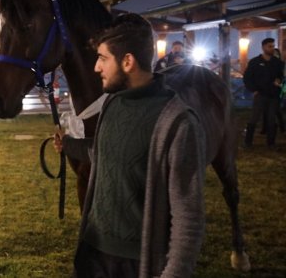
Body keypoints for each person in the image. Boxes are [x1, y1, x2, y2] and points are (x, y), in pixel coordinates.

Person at [58, 14, 205, 278]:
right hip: (91, 254)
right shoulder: (112, 104)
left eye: (103, 58)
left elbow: (188, 219)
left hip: (135, 264)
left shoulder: (178, 122)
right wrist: (68, 145)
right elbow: (104, 152)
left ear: (128, 61)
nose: (96, 68)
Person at [243, 38, 284, 147]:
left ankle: (271, 143)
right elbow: (247, 78)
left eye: (273, 46)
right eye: (269, 46)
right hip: (260, 94)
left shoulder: (277, 62)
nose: (272, 48)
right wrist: (253, 90)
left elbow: (280, 75)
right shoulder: (254, 62)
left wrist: (279, 80)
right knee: (254, 118)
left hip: (273, 95)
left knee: (271, 119)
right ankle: (248, 142)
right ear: (263, 47)